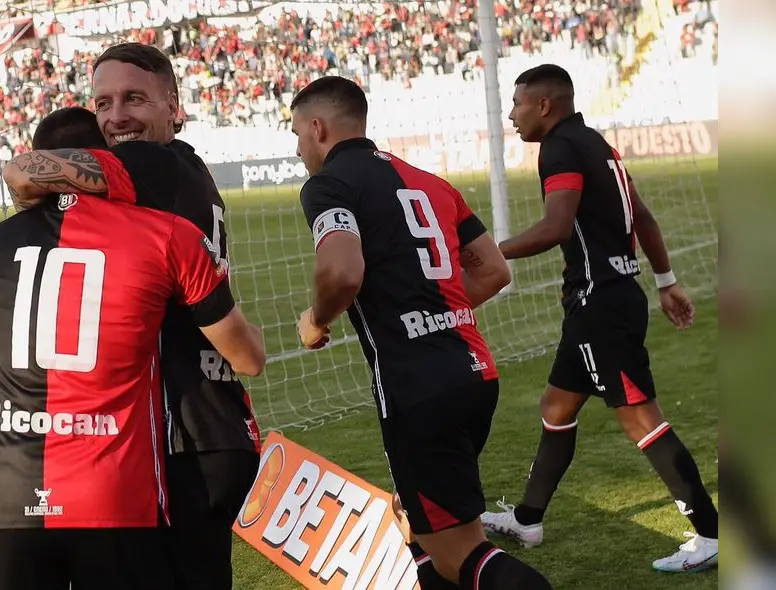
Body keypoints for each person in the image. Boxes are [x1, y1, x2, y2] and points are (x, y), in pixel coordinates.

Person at [0, 106, 266, 590]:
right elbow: (246, 358)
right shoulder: (164, 234)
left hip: (3, 497)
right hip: (112, 495)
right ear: (108, 164)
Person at [290, 75, 552, 590]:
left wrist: (315, 321)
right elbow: (495, 271)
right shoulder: (427, 180)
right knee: (421, 525)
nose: (298, 148)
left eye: (297, 133)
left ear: (317, 128)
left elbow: (342, 273)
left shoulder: (328, 186)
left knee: (463, 555)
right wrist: (439, 311)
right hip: (475, 373)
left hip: (417, 390)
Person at [482, 63, 719, 573]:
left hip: (600, 304)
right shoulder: (597, 145)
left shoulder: (560, 147)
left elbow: (555, 226)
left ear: (545, 104)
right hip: (604, 300)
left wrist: (489, 255)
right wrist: (666, 280)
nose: (512, 114)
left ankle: (712, 533)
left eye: (518, 103)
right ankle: (528, 518)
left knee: (640, 418)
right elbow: (645, 218)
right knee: (556, 406)